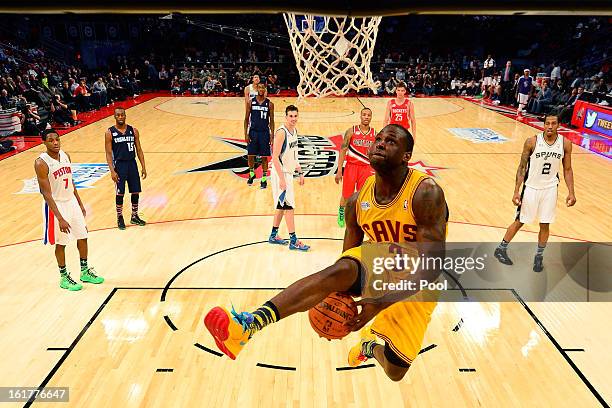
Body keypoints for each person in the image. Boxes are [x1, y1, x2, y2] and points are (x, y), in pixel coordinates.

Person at [204, 124, 448, 382]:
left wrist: (380, 303)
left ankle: (367, 347)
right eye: (378, 139)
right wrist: (333, 303)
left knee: (396, 370)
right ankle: (250, 325)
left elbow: (431, 268)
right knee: (345, 268)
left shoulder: (425, 192)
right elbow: (347, 261)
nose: (380, 143)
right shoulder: (357, 202)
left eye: (390, 141)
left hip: (419, 278)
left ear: (406, 155)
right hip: (381, 265)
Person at [494, 113, 576, 272]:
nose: (550, 126)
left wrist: (571, 192)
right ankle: (501, 248)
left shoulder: (565, 144)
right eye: (547, 123)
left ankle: (539, 256)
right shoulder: (532, 141)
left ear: (559, 125)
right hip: (531, 187)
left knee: (545, 223)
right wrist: (516, 191)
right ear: (543, 125)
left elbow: (567, 169)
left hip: (550, 188)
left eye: (553, 123)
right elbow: (522, 167)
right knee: (520, 220)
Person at [35, 129, 104, 291]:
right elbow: (46, 193)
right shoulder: (41, 163)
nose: (55, 142)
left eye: (57, 139)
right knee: (61, 242)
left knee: (83, 235)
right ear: (44, 142)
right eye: (51, 140)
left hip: (71, 201)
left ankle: (85, 271)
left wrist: (79, 203)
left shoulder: (66, 156)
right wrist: (59, 218)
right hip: (56, 205)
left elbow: (71, 181)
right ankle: (64, 277)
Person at [267, 105, 309, 251]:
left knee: (281, 206)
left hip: (288, 173)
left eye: (295, 116)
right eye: (290, 116)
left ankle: (273, 235)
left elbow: (293, 154)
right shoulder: (281, 132)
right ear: (286, 117)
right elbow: (275, 157)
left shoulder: (294, 131)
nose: (293, 119)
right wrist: (282, 180)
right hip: (281, 174)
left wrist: (300, 171)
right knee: (289, 207)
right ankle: (293, 240)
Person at [104, 107, 147, 230]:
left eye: (122, 115)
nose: (120, 117)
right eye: (118, 115)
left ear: (125, 115)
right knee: (120, 192)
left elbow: (139, 149)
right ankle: (120, 217)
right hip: (119, 165)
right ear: (115, 116)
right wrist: (112, 170)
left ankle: (134, 215)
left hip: (132, 163)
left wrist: (143, 166)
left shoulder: (133, 130)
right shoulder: (109, 133)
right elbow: (108, 153)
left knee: (135, 191)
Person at [335, 107, 375, 227]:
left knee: (363, 195)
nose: (366, 117)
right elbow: (342, 150)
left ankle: (362, 216)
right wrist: (339, 170)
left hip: (366, 168)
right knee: (347, 194)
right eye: (364, 115)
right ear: (360, 116)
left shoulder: (375, 134)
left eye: (368, 115)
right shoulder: (351, 131)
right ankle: (341, 213)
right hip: (351, 167)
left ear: (371, 117)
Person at [244, 83, 275, 188]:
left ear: (265, 90)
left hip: (264, 133)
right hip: (253, 132)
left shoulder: (270, 104)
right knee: (250, 155)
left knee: (264, 157)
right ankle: (252, 173)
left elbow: (272, 121)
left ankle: (264, 177)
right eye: (260, 87)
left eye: (263, 88)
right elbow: (246, 119)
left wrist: (272, 135)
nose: (261, 89)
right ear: (257, 89)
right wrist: (246, 133)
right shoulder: (250, 102)